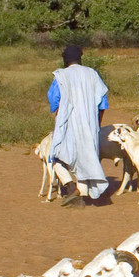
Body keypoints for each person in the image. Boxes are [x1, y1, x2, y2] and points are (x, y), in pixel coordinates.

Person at [48, 44, 111, 208]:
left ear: (65, 60)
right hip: (90, 125)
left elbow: (54, 101)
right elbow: (102, 103)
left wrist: (59, 113)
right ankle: (81, 193)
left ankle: (70, 186)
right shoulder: (92, 74)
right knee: (86, 158)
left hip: (69, 123)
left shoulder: (61, 76)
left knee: (55, 155)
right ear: (80, 58)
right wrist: (97, 124)